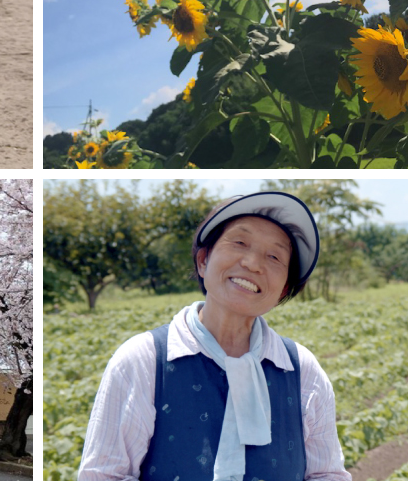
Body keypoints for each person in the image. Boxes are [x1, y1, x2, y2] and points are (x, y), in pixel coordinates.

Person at [77, 190, 350, 481]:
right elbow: (104, 475)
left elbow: (327, 474)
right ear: (204, 261)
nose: (253, 263)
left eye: (274, 256)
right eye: (240, 242)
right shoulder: (143, 360)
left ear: (283, 289)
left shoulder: (302, 371)